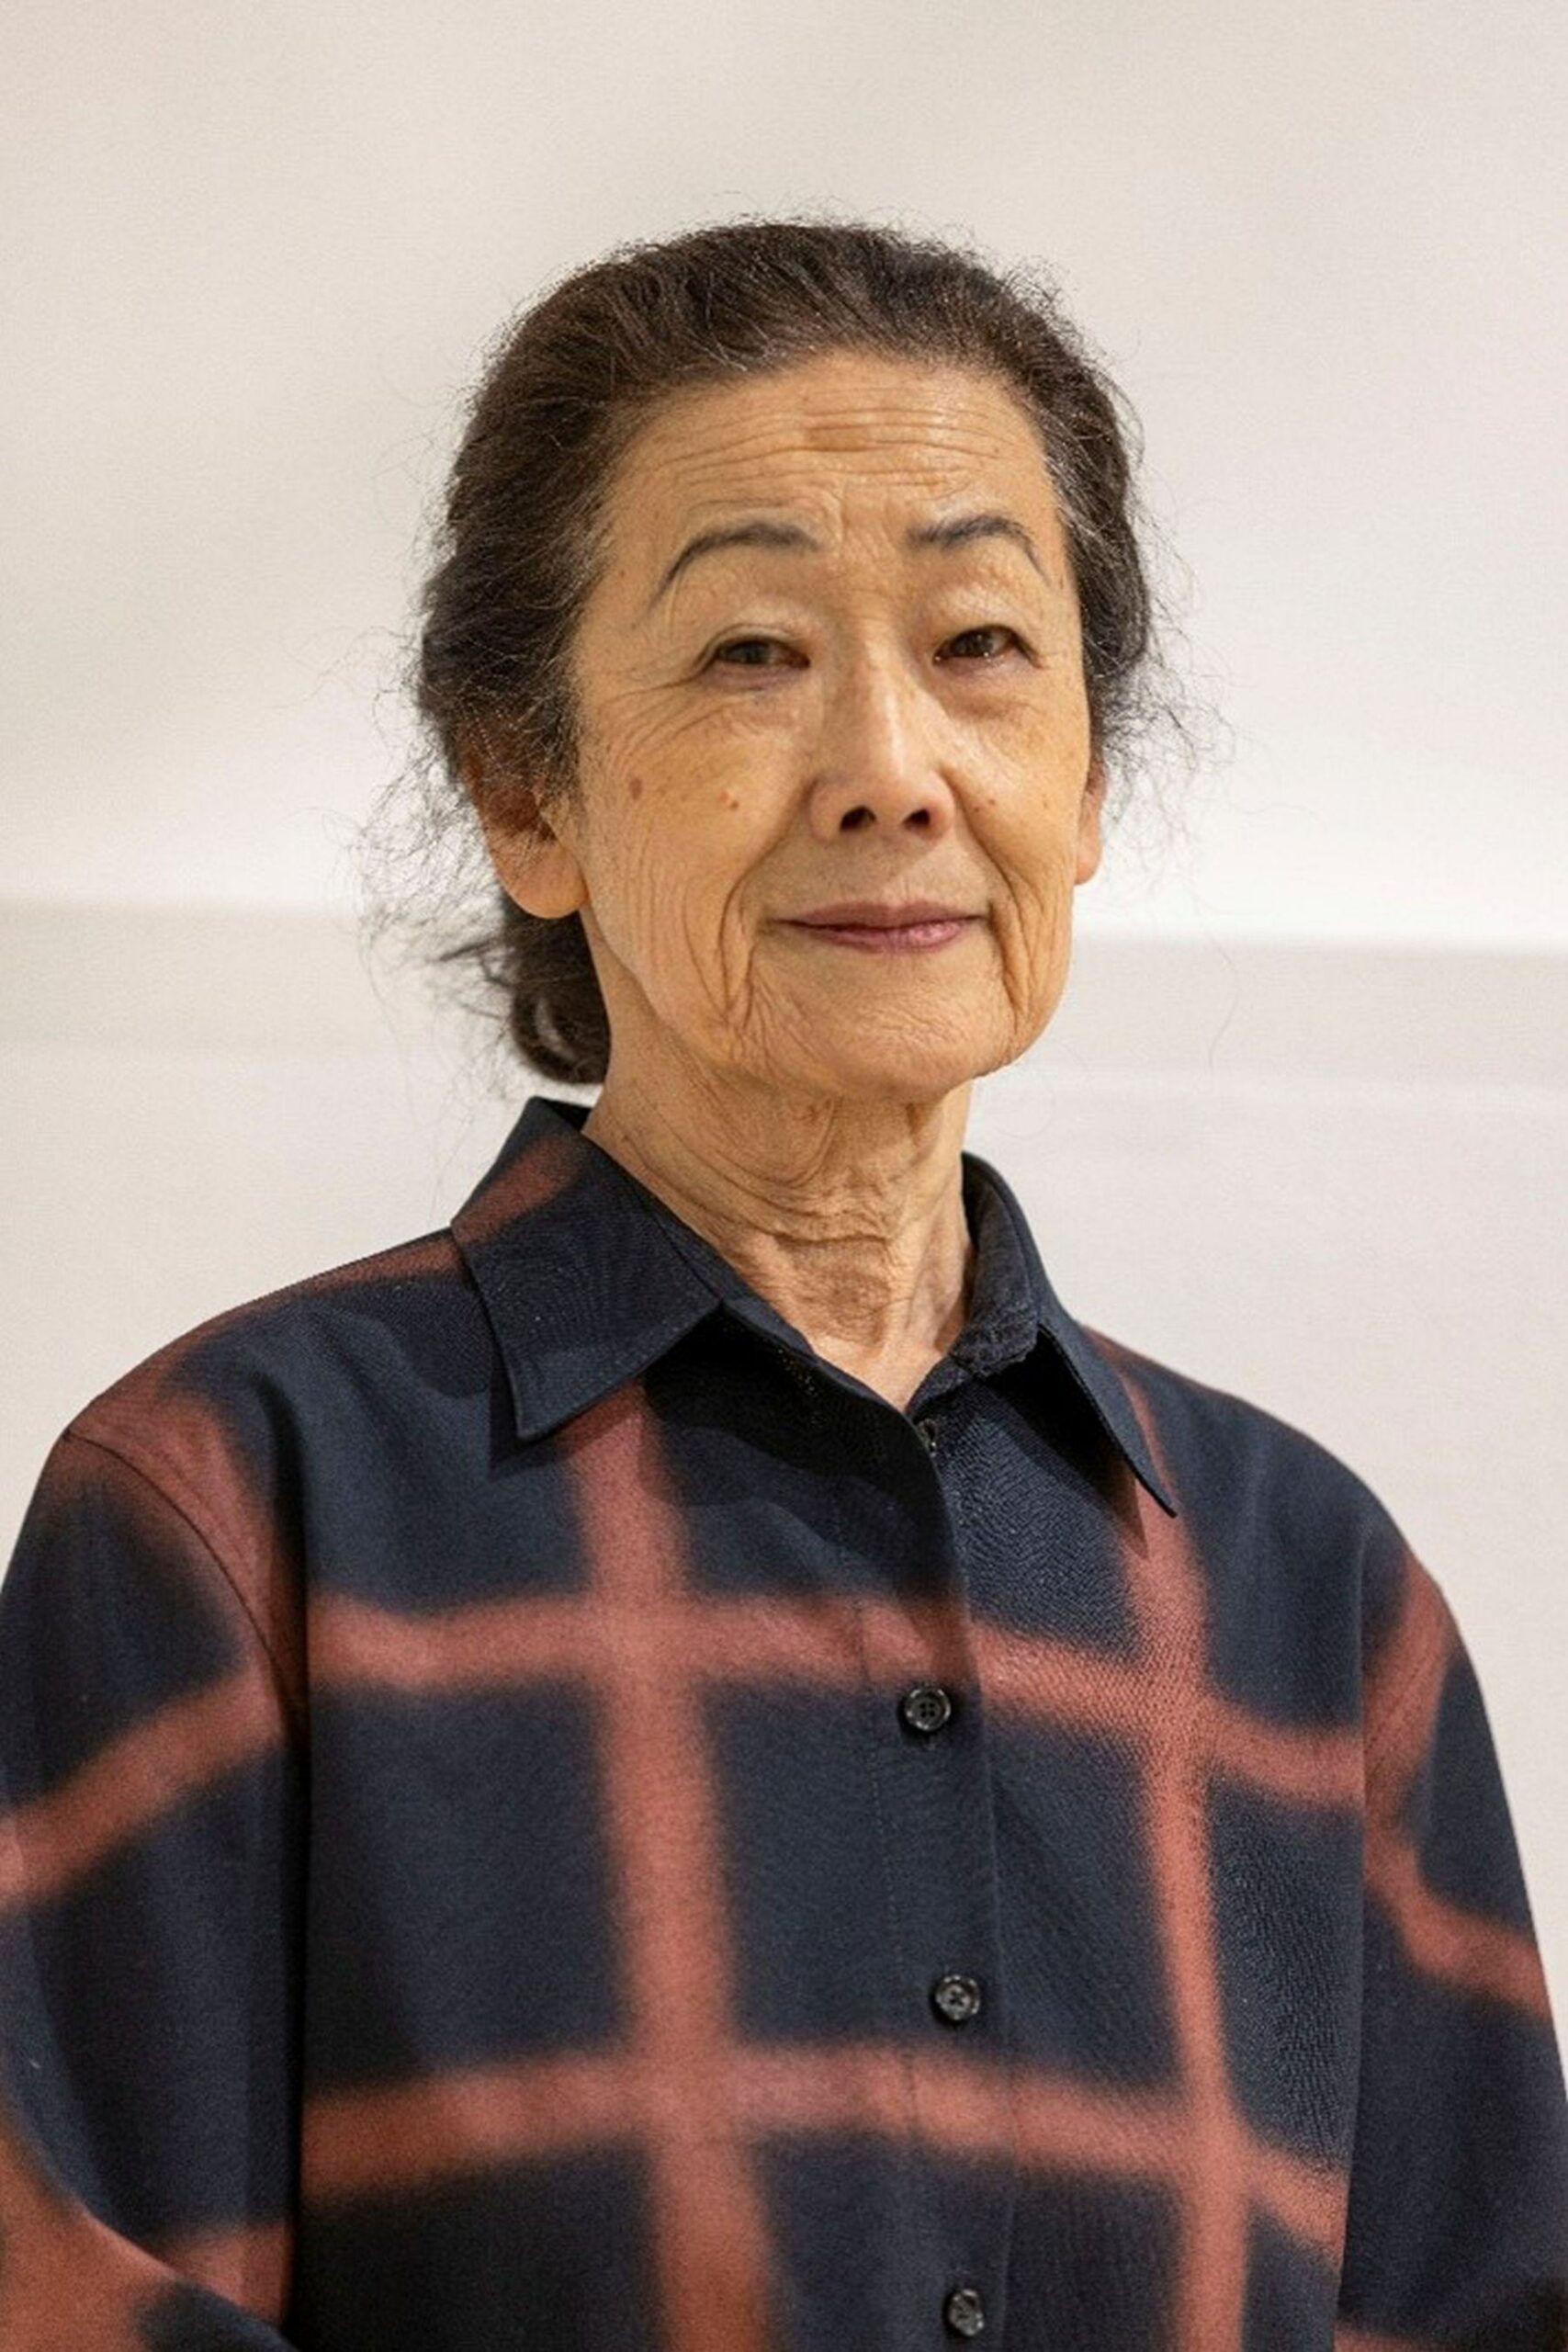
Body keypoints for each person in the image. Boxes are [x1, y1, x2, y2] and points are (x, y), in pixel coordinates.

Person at [3, 218, 1564, 2352]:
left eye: (980, 644)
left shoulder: (1314, 1597)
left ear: (1086, 782)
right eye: (751, 651)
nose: (888, 768)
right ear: (524, 790)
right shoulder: (231, 1507)